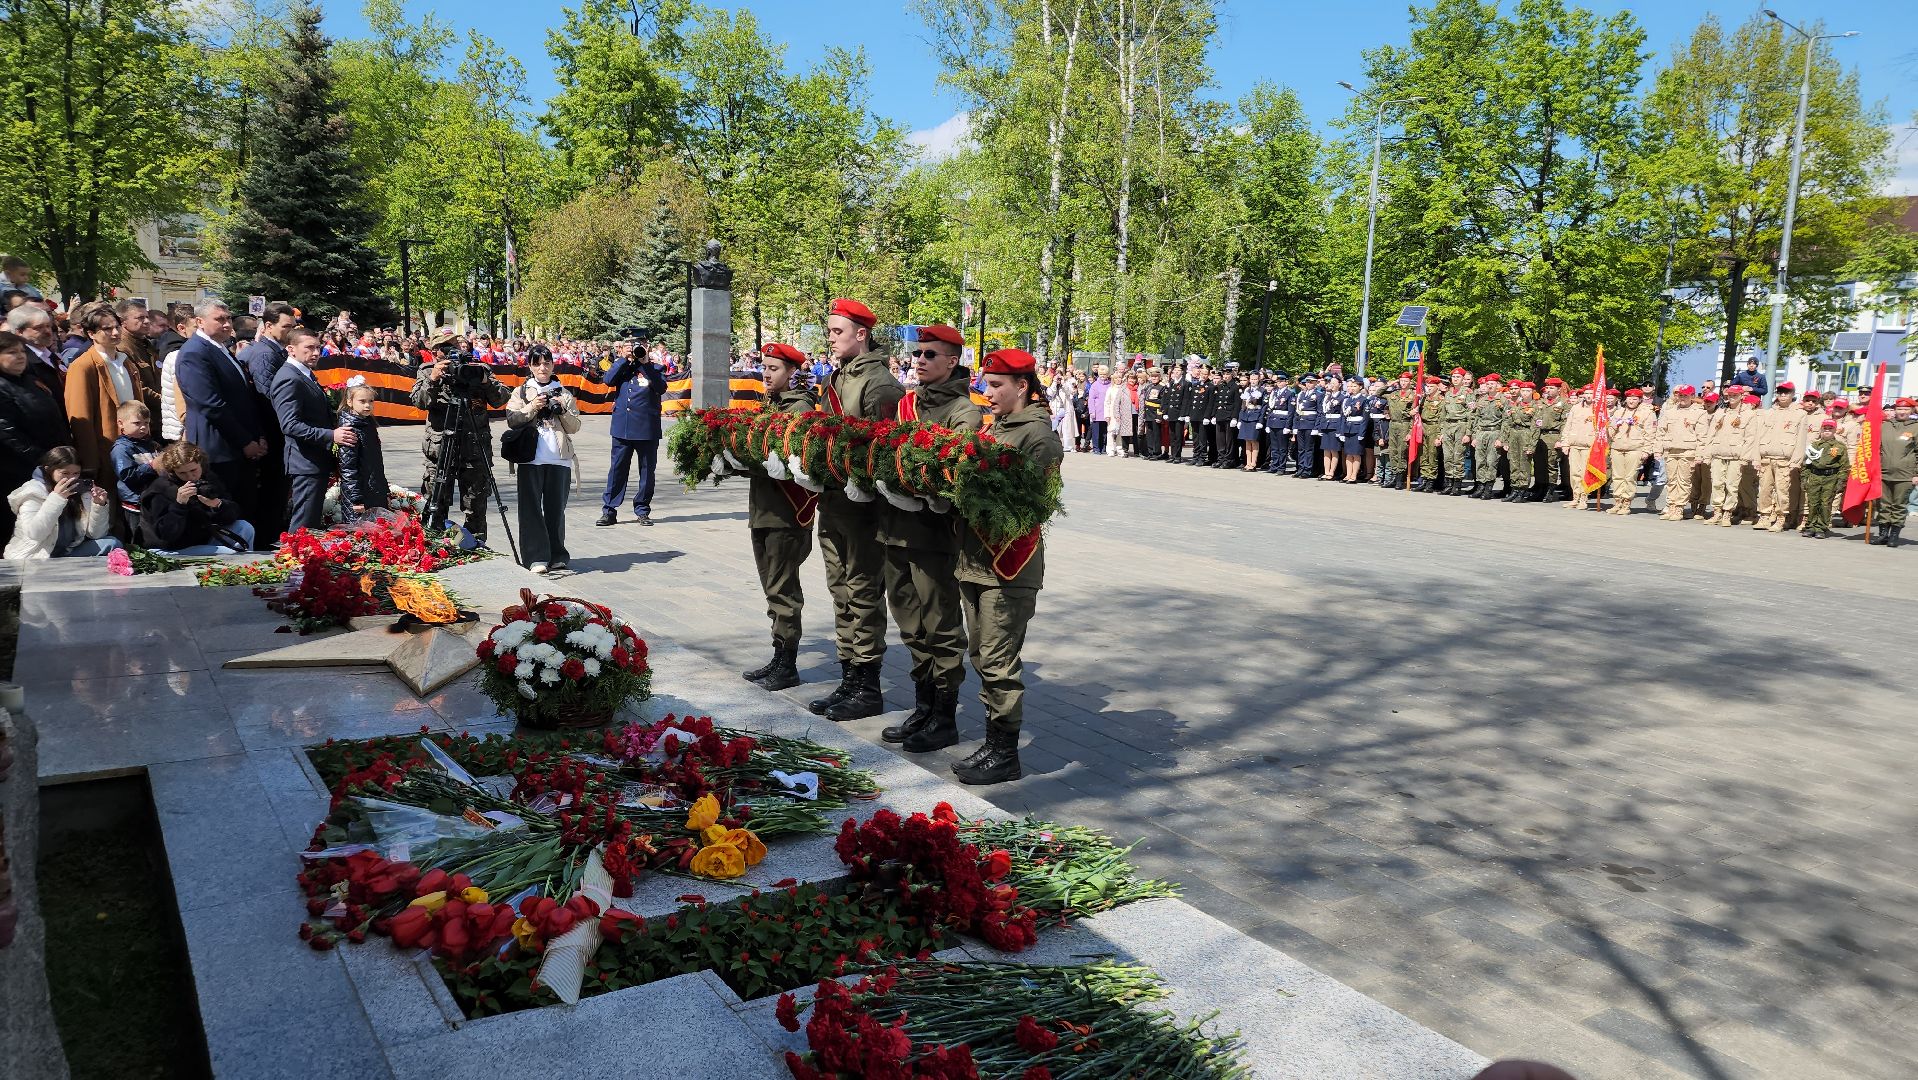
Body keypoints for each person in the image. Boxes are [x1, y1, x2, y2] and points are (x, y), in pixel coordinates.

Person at [951, 348, 1062, 785]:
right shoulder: (992, 427)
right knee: (981, 655)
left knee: (999, 661)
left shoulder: (1038, 437)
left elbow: (1034, 504)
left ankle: (1005, 753)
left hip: (1008, 566)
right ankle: (993, 742)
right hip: (974, 561)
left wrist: (968, 487)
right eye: (986, 384)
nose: (988, 392)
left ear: (1022, 386)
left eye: (997, 385)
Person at [878, 324, 981, 749]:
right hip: (894, 531)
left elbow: (954, 469)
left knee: (941, 628)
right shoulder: (908, 403)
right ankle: (923, 706)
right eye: (917, 353)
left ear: (952, 361)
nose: (919, 360)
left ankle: (944, 715)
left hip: (934, 537)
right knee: (909, 626)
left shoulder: (963, 412)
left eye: (929, 354)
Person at [810, 298, 905, 721]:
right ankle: (849, 676)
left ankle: (867, 686)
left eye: (837, 332)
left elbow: (882, 451)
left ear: (861, 334)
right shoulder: (838, 377)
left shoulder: (879, 385)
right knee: (841, 593)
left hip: (863, 509)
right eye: (830, 331)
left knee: (863, 594)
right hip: (833, 503)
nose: (830, 339)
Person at [740, 342, 818, 693]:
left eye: (774, 369)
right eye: (765, 367)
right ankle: (778, 654)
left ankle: (788, 665)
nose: (766, 374)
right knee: (771, 586)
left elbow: (800, 459)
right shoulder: (770, 405)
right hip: (764, 510)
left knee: (783, 589)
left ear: (792, 372)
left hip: (787, 514)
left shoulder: (800, 408)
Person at [176, 299, 271, 545]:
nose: (228, 324)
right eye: (220, 319)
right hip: (219, 448)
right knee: (227, 513)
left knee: (245, 508)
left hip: (238, 445)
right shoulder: (194, 353)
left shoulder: (219, 348)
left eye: (228, 318)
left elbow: (243, 399)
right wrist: (245, 442)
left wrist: (257, 436)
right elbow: (211, 404)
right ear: (199, 321)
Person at [412, 329, 510, 542]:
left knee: (476, 504)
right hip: (440, 450)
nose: (452, 350)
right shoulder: (427, 370)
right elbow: (419, 401)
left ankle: (476, 545)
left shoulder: (478, 368)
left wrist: (485, 381)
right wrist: (434, 379)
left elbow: (502, 398)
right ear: (434, 351)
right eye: (444, 346)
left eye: (455, 344)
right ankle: (436, 545)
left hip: (474, 449)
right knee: (435, 502)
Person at [271, 325, 357, 534]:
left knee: (310, 522)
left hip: (314, 459)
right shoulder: (289, 377)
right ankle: (294, 554)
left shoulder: (305, 374)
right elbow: (290, 424)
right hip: (305, 461)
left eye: (318, 347)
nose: (316, 353)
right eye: (309, 348)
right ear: (291, 349)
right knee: (303, 524)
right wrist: (331, 435)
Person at [505, 343, 581, 573]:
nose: (542, 368)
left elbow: (575, 426)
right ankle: (536, 557)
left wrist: (562, 410)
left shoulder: (564, 393)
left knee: (556, 509)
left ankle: (557, 554)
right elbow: (512, 419)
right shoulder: (521, 391)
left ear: (553, 365)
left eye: (547, 363)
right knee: (530, 509)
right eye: (537, 364)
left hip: (559, 458)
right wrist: (533, 406)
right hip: (531, 458)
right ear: (530, 366)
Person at [0, 331, 74, 548]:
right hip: (18, 468)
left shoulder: (30, 379)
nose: (20, 356)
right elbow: (8, 434)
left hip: (48, 460)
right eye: (11, 352)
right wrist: (43, 459)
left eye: (22, 351)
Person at [63, 302, 148, 489]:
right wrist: (90, 462)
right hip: (106, 450)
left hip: (135, 447)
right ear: (91, 334)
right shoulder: (82, 366)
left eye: (117, 327)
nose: (115, 333)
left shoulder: (126, 362)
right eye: (107, 329)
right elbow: (80, 419)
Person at [242, 301, 302, 541]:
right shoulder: (265, 354)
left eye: (293, 326)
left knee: (278, 489)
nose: (291, 331)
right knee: (272, 489)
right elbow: (268, 398)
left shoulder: (276, 350)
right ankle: (268, 538)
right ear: (268, 326)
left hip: (276, 432)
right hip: (273, 432)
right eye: (286, 326)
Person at [596, 329, 669, 527]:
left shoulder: (655, 368)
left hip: (647, 428)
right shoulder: (622, 367)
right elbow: (608, 380)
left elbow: (661, 388)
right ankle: (609, 510)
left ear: (647, 346)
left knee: (647, 472)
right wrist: (623, 358)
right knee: (617, 470)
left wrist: (645, 362)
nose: (635, 349)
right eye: (631, 345)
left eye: (639, 345)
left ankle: (642, 510)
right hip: (623, 428)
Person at [138, 441, 255, 555]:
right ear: (173, 472)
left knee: (244, 527)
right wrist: (179, 505)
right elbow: (166, 535)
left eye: (193, 470)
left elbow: (233, 513)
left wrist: (218, 505)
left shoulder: (208, 478)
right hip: (167, 549)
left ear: (201, 464)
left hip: (201, 541)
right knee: (231, 554)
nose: (190, 476)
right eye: (182, 473)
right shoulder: (160, 489)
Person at [4, 446, 119, 559]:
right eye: (65, 473)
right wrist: (56, 498)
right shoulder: (33, 492)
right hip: (36, 556)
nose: (71, 478)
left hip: (66, 552)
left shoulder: (81, 491)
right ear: (48, 470)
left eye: (76, 473)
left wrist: (98, 505)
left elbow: (96, 534)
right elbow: (35, 534)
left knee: (113, 544)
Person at [1652, 385, 1705, 520]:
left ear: (1692, 396)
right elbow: (1661, 432)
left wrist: (1699, 455)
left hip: (1688, 451)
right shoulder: (1669, 412)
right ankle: (1671, 506)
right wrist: (1657, 450)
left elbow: (1702, 437)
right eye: (1680, 395)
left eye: (1685, 395)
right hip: (1670, 450)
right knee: (1671, 481)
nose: (1682, 398)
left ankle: (1679, 508)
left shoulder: (1699, 413)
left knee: (1683, 481)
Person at [337, 385, 388, 522]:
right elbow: (348, 468)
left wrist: (384, 491)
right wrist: (356, 499)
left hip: (373, 491)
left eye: (371, 401)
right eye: (362, 401)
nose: (367, 405)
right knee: (359, 531)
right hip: (359, 497)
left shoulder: (367, 425)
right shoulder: (350, 429)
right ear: (349, 402)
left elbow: (377, 464)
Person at [1875, 397, 1918, 548]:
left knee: (1899, 505)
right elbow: (1875, 448)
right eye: (1899, 409)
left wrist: (1916, 474)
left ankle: (1894, 535)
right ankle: (1883, 534)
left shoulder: (1915, 427)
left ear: (1911, 410)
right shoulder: (1885, 426)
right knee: (1883, 505)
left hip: (1905, 474)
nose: (1902, 412)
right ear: (1895, 410)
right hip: (1883, 472)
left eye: (1906, 409)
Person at [109, 401, 161, 521]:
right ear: (121, 424)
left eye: (146, 423)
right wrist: (152, 465)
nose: (143, 427)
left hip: (153, 499)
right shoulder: (121, 449)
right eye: (137, 423)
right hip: (135, 504)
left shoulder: (152, 444)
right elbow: (127, 475)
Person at [1607, 387, 1654, 514]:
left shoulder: (1646, 413)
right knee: (1617, 476)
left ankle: (1626, 503)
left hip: (1635, 448)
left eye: (1634, 399)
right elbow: (1611, 430)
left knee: (1630, 477)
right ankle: (1618, 501)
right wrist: (1605, 430)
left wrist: (1646, 450)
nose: (1631, 401)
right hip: (1617, 447)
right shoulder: (1618, 412)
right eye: (1629, 398)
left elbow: (1650, 433)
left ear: (1639, 400)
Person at [1800, 420, 1847, 539]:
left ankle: (1821, 527)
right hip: (1815, 477)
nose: (1827, 431)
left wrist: (1841, 482)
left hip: (1830, 478)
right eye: (1825, 428)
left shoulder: (1840, 447)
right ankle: (1810, 526)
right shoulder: (1814, 446)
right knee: (1813, 503)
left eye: (1830, 429)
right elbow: (1806, 464)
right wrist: (1804, 478)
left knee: (1825, 504)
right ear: (1821, 430)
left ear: (1834, 430)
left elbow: (1844, 466)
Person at [6, 303, 64, 400]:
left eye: (48, 326)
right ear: (19, 332)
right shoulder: (21, 363)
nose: (47, 331)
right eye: (39, 327)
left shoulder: (51, 356)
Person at [1470, 376, 1508, 498]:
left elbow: (1506, 421)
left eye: (1492, 383)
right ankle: (1481, 486)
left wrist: (1501, 439)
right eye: (1488, 384)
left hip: (1494, 432)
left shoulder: (1503, 400)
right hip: (1481, 432)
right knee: (1480, 460)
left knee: (1491, 461)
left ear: (1498, 385)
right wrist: (1474, 436)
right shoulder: (1482, 400)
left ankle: (1488, 487)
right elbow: (1476, 419)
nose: (1490, 386)